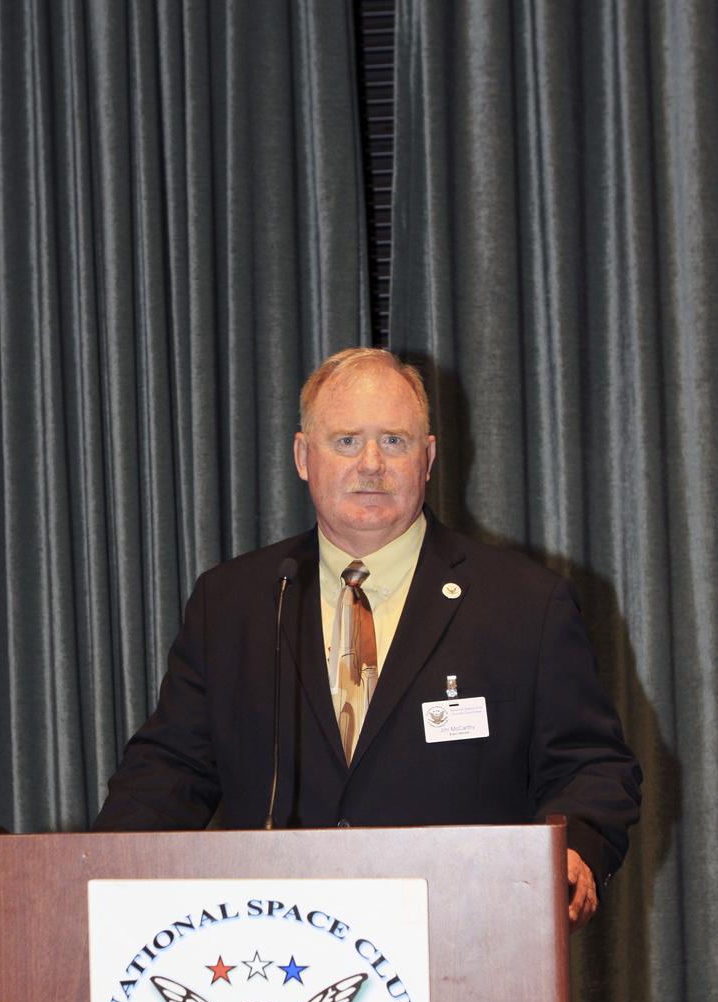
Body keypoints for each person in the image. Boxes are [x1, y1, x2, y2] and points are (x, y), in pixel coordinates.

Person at [94, 348, 641, 929]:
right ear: (304, 456)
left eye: (396, 442)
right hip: (280, 948)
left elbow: (590, 765)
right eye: (347, 441)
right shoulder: (233, 602)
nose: (372, 464)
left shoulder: (525, 604)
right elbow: (171, 768)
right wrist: (94, 874)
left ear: (427, 458)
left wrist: (575, 846)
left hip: (470, 940)